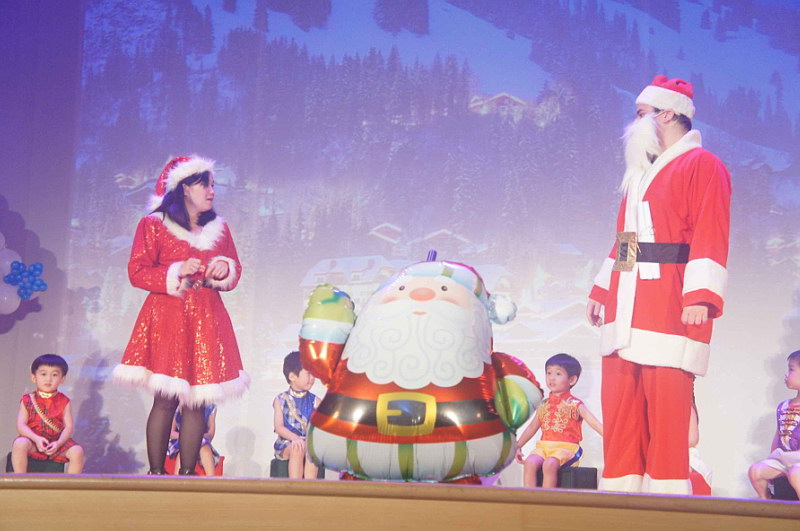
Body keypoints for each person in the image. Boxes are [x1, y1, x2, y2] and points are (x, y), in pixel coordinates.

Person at [586, 75, 731, 494]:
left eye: (641, 114)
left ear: (667, 114)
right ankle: (620, 496)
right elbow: (626, 239)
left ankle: (668, 500)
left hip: (669, 298)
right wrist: (603, 289)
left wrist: (700, 296)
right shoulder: (641, 173)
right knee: (621, 406)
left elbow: (711, 230)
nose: (634, 124)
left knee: (667, 408)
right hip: (627, 300)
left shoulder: (703, 165)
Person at [113, 156, 248, 475]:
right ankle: (156, 474)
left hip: (206, 316)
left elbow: (235, 268)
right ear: (185, 187)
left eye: (213, 185)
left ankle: (188, 475)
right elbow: (137, 271)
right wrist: (176, 271)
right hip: (169, 317)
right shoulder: (154, 224)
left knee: (197, 401)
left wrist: (223, 268)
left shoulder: (219, 228)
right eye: (205, 184)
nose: (212, 191)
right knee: (165, 398)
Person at [515, 353, 603, 488]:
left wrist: (611, 440)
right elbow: (532, 427)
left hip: (566, 449)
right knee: (530, 463)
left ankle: (548, 498)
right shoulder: (543, 404)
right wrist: (517, 446)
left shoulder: (575, 404)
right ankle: (530, 498)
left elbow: (595, 424)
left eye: (558, 374)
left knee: (549, 464)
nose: (552, 378)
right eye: (549, 373)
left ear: (572, 380)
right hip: (544, 447)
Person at [11, 354, 85, 473]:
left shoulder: (64, 401)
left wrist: (58, 443)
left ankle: (70, 485)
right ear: (34, 377)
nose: (48, 379)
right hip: (33, 442)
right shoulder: (27, 400)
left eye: (54, 375)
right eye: (43, 374)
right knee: (20, 443)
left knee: (77, 451)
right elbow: (21, 425)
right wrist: (36, 439)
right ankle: (21, 480)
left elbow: (69, 427)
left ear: (62, 379)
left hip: (57, 443)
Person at [748, 350, 800, 499]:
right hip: (785, 458)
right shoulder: (783, 406)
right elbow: (779, 435)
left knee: (795, 474)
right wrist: (772, 458)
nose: (786, 374)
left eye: (791, 370)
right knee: (755, 471)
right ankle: (768, 503)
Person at [273, 351, 320, 479]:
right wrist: (295, 438)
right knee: (297, 449)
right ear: (292, 376)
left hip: (308, 442)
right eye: (308, 374)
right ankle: (295, 485)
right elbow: (279, 427)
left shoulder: (315, 401)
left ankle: (310, 486)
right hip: (287, 443)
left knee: (312, 451)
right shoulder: (280, 399)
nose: (312, 378)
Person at [168, 404, 219, 476]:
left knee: (205, 448)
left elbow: (211, 434)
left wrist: (196, 437)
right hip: (179, 441)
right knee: (184, 448)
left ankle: (211, 479)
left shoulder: (210, 406)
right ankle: (178, 478)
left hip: (201, 440)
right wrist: (186, 436)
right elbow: (170, 433)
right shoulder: (178, 405)